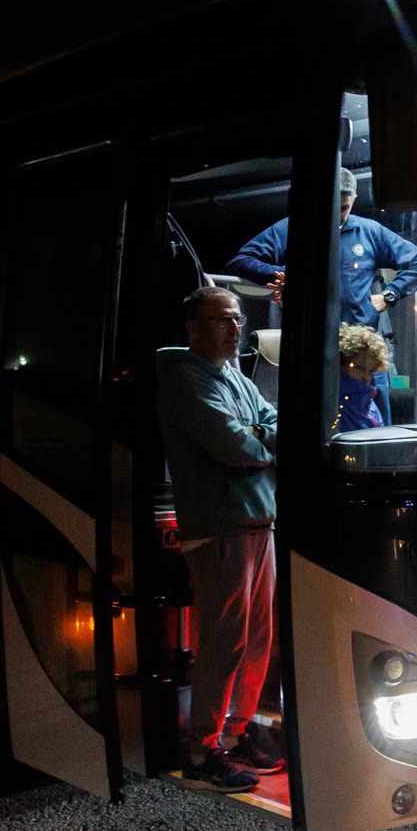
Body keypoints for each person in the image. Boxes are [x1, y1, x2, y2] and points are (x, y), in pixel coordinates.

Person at [156, 286, 284, 793]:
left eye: (237, 320)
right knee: (223, 643)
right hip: (220, 526)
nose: (234, 330)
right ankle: (202, 751)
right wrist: (258, 439)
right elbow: (234, 447)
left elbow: (271, 427)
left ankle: (234, 732)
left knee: (256, 639)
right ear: (192, 327)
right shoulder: (184, 378)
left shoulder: (233, 375)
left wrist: (257, 435)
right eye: (221, 320)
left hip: (256, 522)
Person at [227, 166, 417, 421]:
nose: (337, 214)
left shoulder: (369, 231)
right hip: (315, 350)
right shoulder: (296, 228)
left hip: (362, 352)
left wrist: (390, 295)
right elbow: (241, 261)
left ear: (353, 200)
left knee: (376, 424)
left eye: (344, 207)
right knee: (316, 422)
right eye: (332, 206)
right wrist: (289, 276)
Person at [336, 323, 389, 432]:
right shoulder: (336, 403)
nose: (365, 377)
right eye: (358, 368)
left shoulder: (369, 401)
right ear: (342, 365)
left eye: (370, 371)